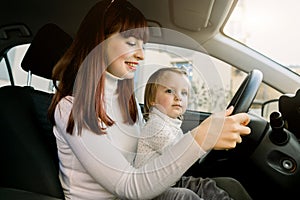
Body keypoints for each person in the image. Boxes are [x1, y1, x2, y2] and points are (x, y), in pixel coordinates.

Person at [48, 0, 252, 199]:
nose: (141, 55)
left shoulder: (124, 102)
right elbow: (128, 186)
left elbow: (140, 166)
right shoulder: (71, 109)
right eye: (130, 43)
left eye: (142, 45)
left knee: (228, 186)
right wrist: (201, 137)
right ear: (99, 42)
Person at [134, 67, 236, 200]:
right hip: (148, 192)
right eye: (169, 91)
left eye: (184, 93)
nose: (178, 97)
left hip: (168, 183)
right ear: (152, 99)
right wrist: (209, 138)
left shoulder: (172, 124)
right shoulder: (155, 126)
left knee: (205, 186)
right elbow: (180, 152)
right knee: (184, 196)